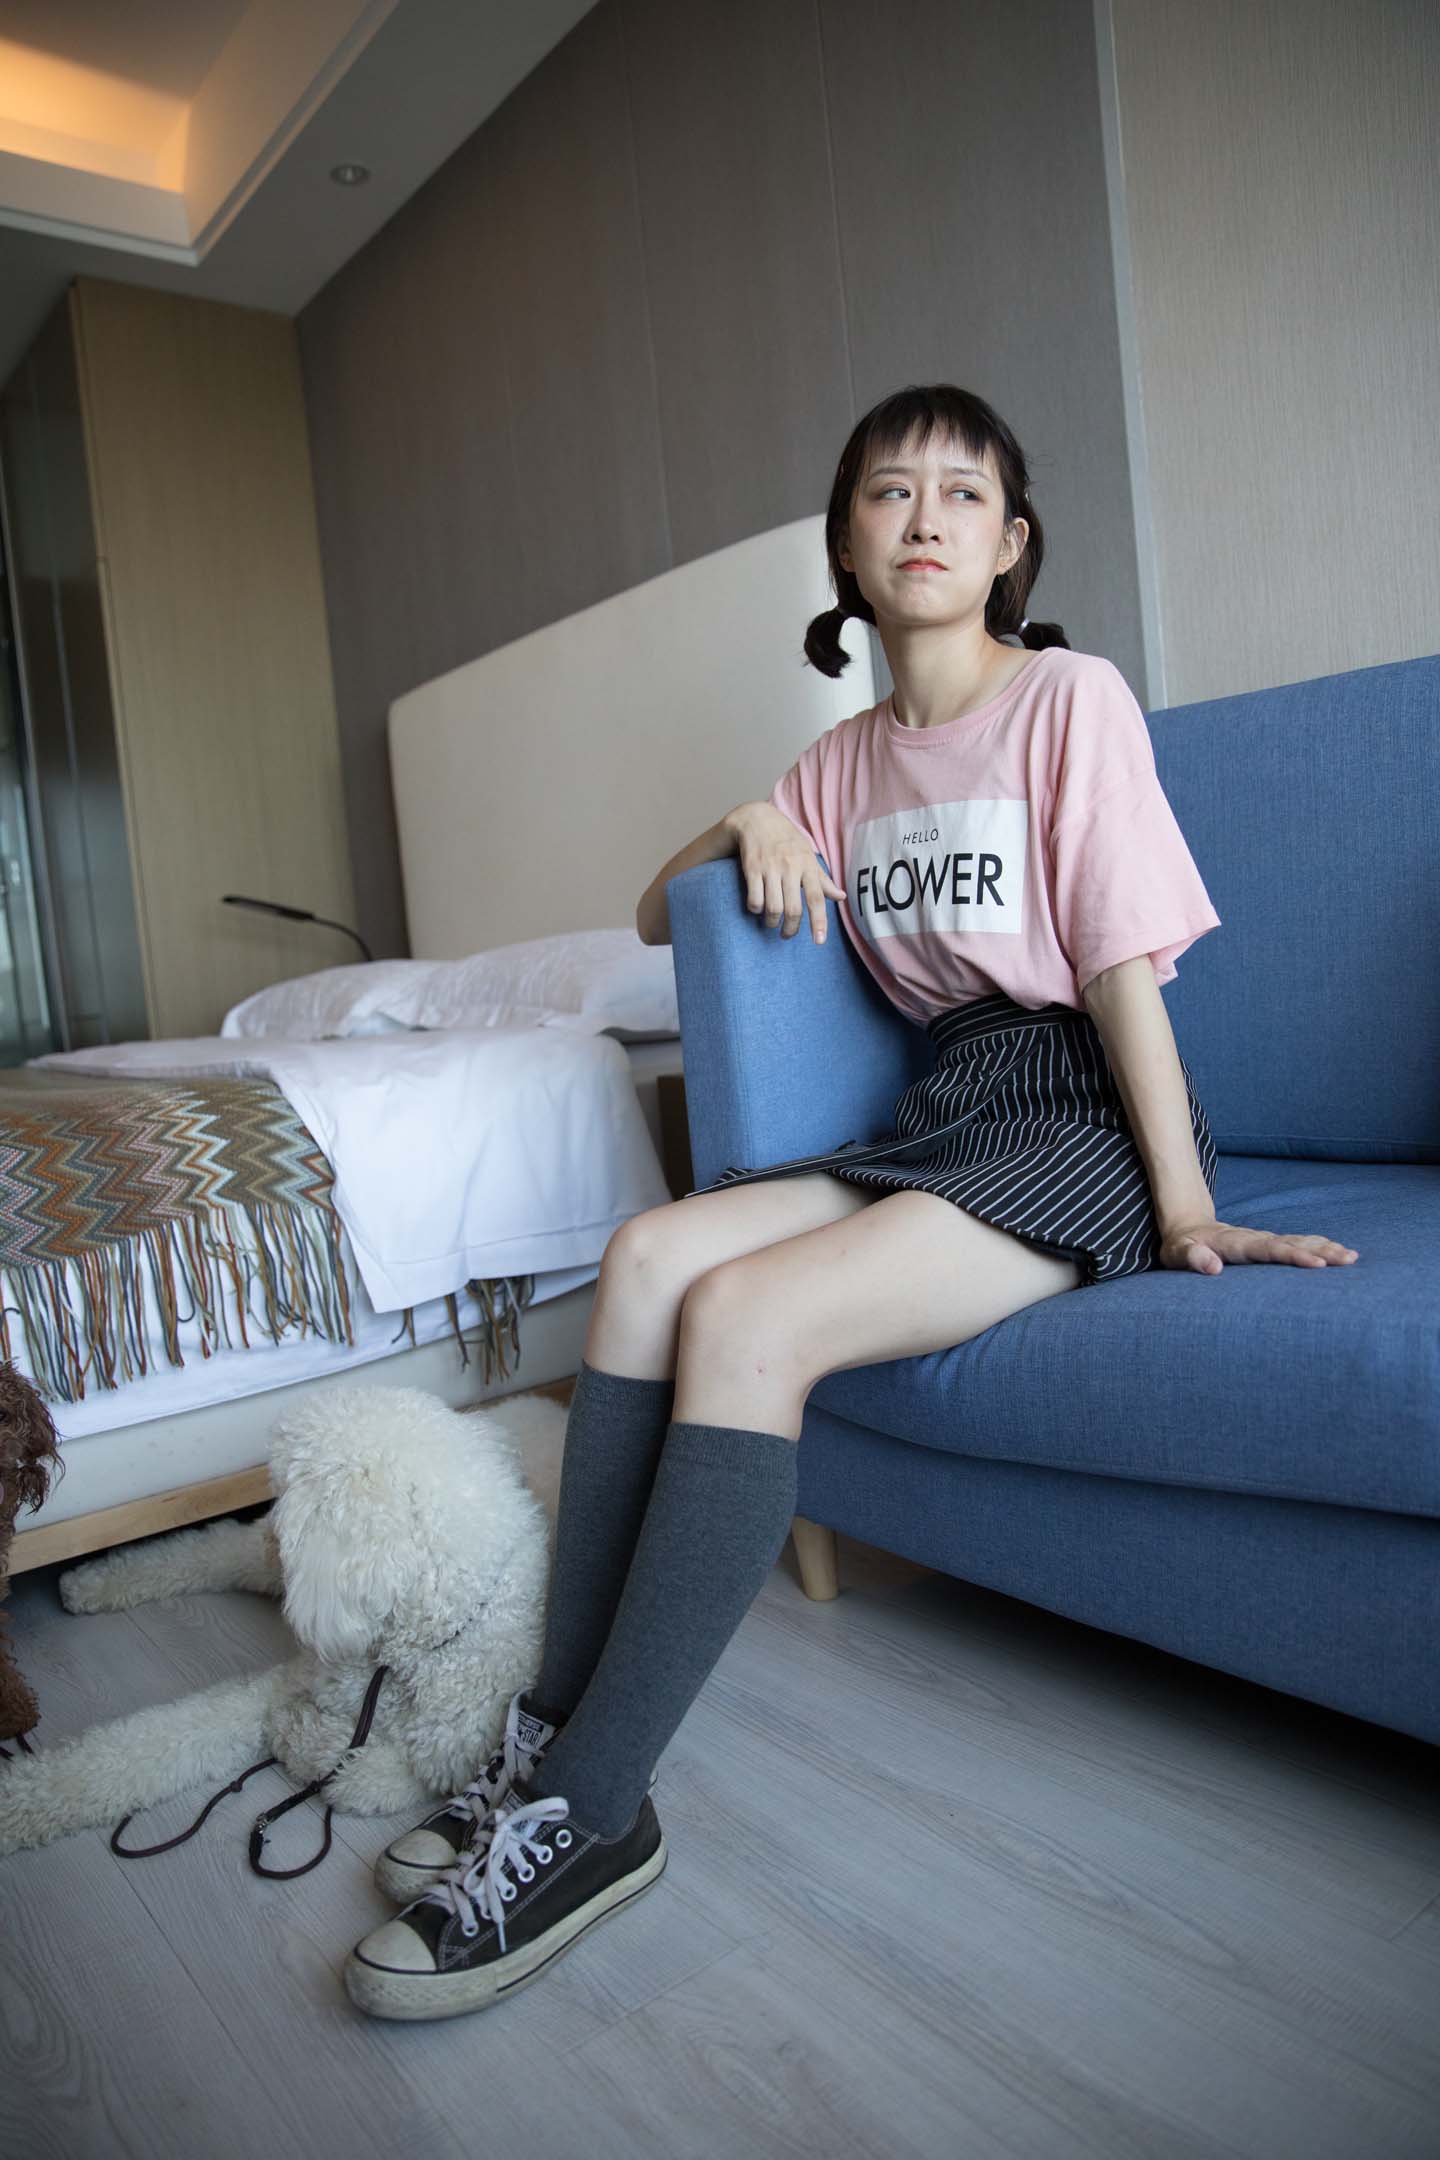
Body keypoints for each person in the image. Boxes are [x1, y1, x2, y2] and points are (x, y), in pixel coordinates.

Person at [344, 382, 1360, 2023]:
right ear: (846, 545)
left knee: (750, 1316)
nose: (925, 517)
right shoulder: (838, 761)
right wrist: (748, 816)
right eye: (891, 492)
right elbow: (656, 912)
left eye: (963, 493)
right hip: (939, 1109)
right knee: (649, 1255)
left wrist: (1184, 1206)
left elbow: (1118, 962)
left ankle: (594, 1809)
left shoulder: (1070, 698)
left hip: (1075, 1113)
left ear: (1012, 543)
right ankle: (549, 1733)